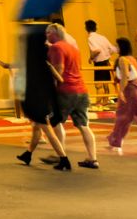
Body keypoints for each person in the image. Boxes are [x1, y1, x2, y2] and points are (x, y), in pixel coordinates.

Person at [16, 23, 71, 171]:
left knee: (47, 131)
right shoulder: (44, 59)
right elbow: (59, 78)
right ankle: (28, 154)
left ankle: (64, 159)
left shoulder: (33, 62)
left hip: (37, 101)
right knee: (36, 128)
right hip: (45, 99)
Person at [46, 21, 98, 168]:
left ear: (55, 34)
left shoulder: (56, 48)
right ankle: (92, 158)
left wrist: (51, 89)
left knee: (55, 122)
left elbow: (59, 70)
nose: (46, 36)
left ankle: (60, 154)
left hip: (65, 90)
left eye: (48, 33)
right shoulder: (73, 48)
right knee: (83, 125)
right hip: (81, 90)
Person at [106, 36, 137, 155]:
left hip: (129, 90)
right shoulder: (132, 58)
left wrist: (121, 91)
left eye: (117, 45)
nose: (115, 47)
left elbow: (125, 76)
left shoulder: (122, 59)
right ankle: (114, 138)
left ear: (121, 47)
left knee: (123, 117)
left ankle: (115, 140)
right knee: (128, 117)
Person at [87, 19, 117, 95]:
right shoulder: (102, 37)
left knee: (98, 85)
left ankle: (99, 102)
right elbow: (113, 49)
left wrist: (91, 58)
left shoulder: (91, 38)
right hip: (106, 62)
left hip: (99, 63)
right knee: (106, 84)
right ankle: (106, 101)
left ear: (86, 28)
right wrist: (106, 55)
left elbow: (97, 50)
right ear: (96, 28)